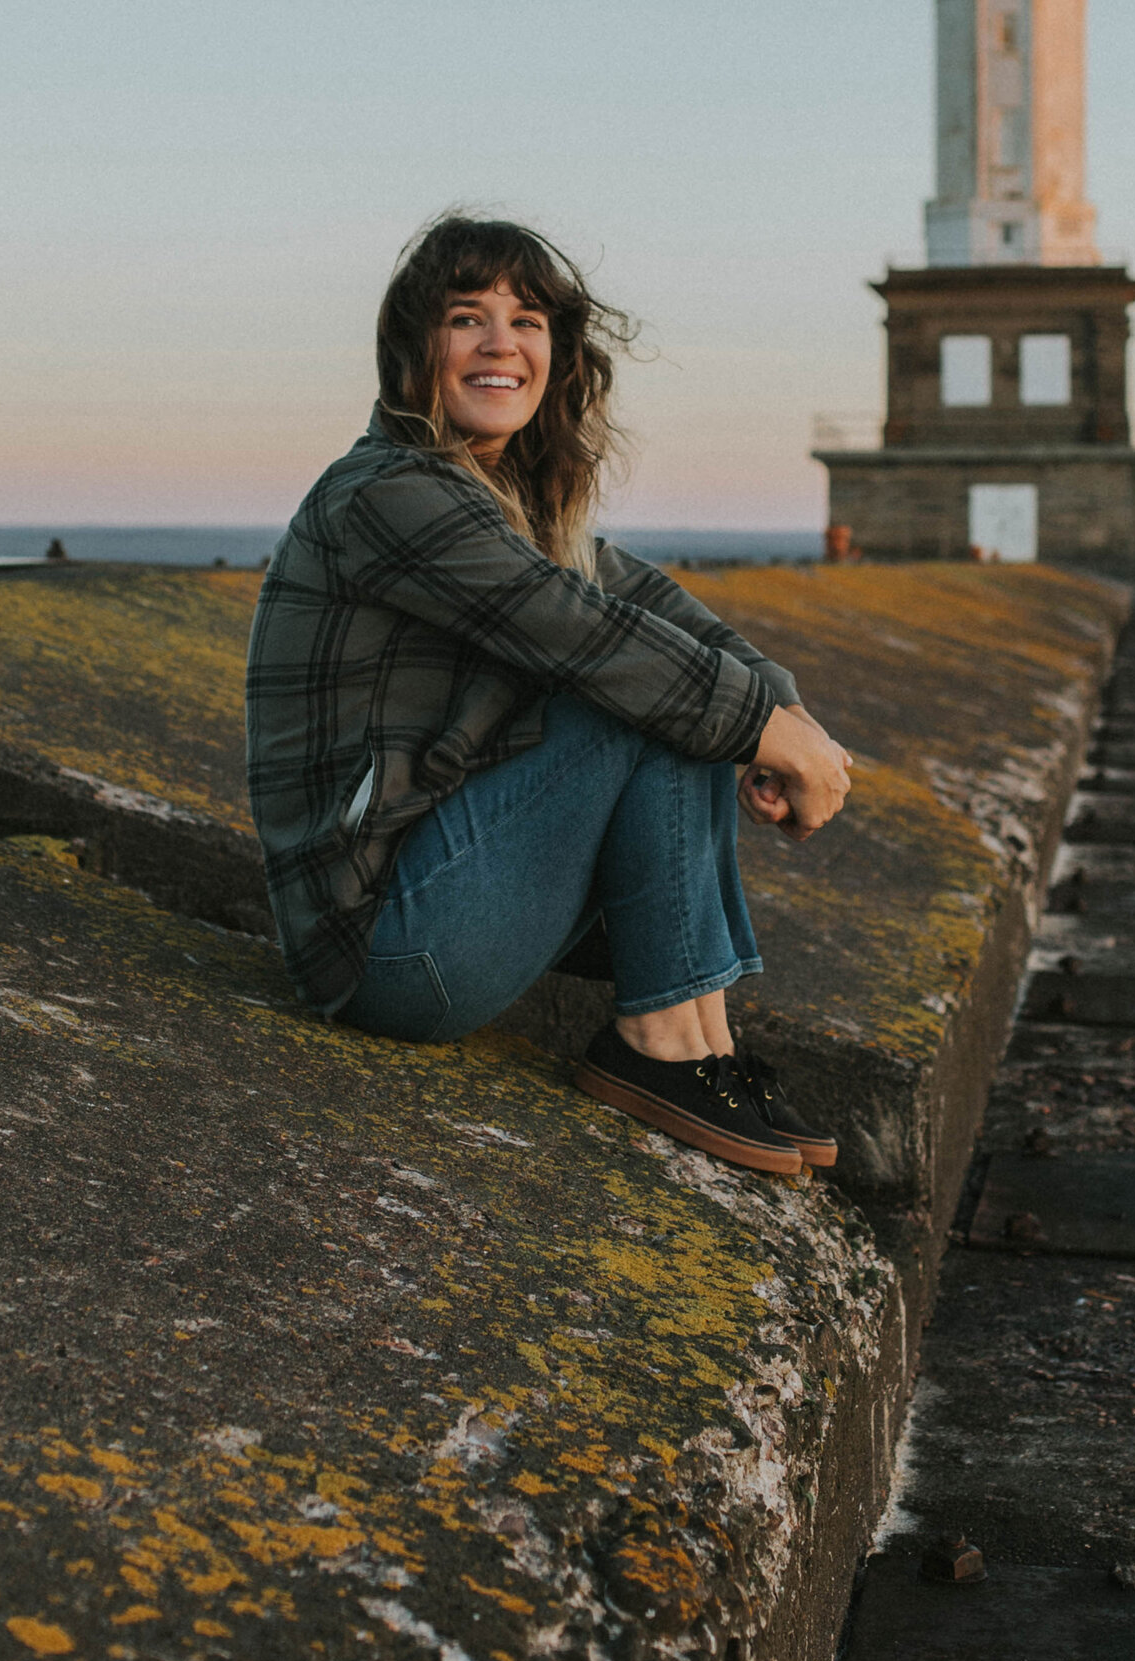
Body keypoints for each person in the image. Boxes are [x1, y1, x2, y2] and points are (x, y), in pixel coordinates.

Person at [244, 214, 853, 1176]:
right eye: (466, 318)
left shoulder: (504, 499)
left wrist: (790, 714)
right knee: (644, 694)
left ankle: (704, 1045)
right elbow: (594, 638)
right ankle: (659, 1047)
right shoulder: (391, 493)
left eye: (527, 321)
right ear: (415, 350)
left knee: (679, 687)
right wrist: (768, 735)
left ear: (558, 355)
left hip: (445, 909)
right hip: (382, 952)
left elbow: (652, 606)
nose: (501, 344)